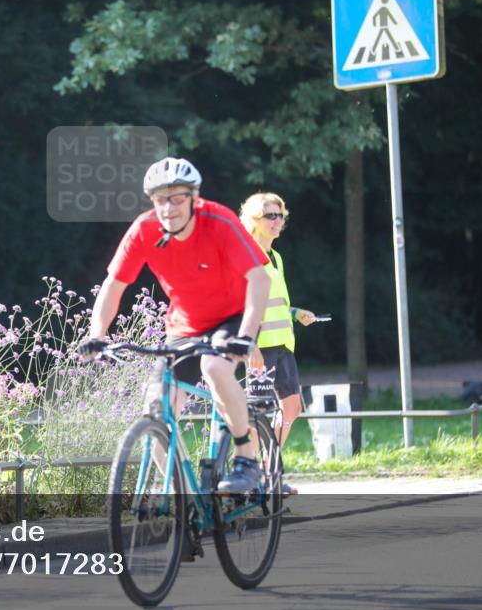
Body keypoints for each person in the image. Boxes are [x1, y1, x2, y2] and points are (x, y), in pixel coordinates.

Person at [79, 158, 271, 493]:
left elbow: (259, 278)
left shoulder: (219, 221)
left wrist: (246, 336)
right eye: (160, 200)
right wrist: (97, 334)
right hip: (185, 325)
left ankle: (245, 456)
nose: (168, 208)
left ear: (194, 198)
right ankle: (188, 501)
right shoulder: (144, 229)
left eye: (177, 198)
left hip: (233, 315)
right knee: (156, 409)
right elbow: (113, 285)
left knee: (214, 367)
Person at [239, 192, 318, 494]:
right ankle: (248, 474)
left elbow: (274, 302)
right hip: (260, 348)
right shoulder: (247, 254)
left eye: (280, 216)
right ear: (254, 220)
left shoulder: (276, 257)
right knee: (256, 413)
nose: (277, 221)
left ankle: (268, 471)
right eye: (270, 216)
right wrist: (251, 345)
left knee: (292, 409)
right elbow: (243, 303)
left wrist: (296, 313)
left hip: (284, 345)